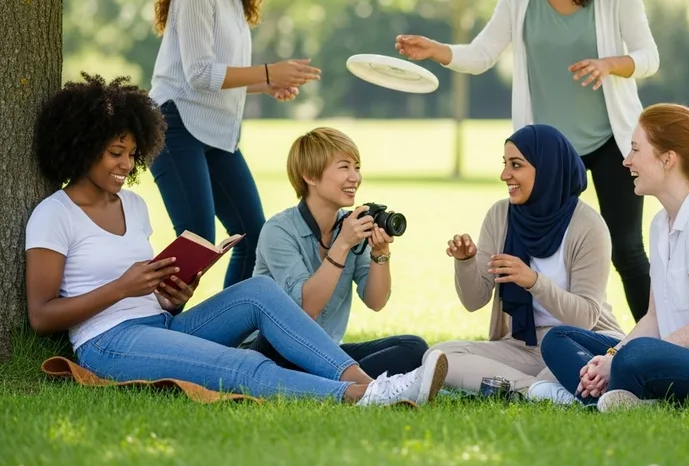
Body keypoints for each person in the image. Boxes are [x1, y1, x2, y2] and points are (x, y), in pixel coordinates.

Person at [24, 74, 448, 407]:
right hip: (108, 343)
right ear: (82, 147)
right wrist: (124, 287)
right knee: (242, 363)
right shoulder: (54, 214)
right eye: (116, 152)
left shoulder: (133, 205)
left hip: (162, 322)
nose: (126, 164)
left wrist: (172, 295)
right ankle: (360, 397)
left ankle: (366, 382)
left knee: (257, 291)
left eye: (133, 154)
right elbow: (42, 315)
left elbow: (148, 297)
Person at [396, 0, 659, 321]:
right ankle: (546, 341)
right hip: (550, 154)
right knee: (545, 250)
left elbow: (649, 57)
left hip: (612, 141)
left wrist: (610, 64)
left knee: (628, 251)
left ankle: (660, 344)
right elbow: (481, 55)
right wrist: (436, 49)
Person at [540, 104, 689, 411]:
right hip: (681, 359)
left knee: (635, 355)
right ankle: (617, 394)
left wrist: (619, 360)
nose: (626, 161)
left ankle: (607, 393)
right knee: (558, 339)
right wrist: (611, 358)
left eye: (635, 150)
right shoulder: (660, 224)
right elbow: (654, 318)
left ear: (668, 159)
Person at [149, 0, 321, 288]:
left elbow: (221, 77)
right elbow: (199, 75)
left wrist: (267, 84)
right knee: (196, 242)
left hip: (217, 132)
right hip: (176, 125)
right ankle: (143, 332)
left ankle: (229, 334)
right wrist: (265, 73)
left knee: (254, 235)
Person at [427, 124, 623, 401]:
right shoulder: (500, 215)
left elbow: (585, 318)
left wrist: (533, 281)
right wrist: (466, 262)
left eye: (516, 165)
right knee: (439, 356)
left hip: (580, 345)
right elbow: (474, 301)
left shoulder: (588, 226)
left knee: (558, 371)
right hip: (524, 346)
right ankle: (536, 391)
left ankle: (537, 387)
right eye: (505, 164)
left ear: (547, 169)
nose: (504, 175)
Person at [251, 128, 429, 377]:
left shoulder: (350, 226)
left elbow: (375, 301)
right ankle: (354, 383)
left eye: (357, 167)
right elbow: (305, 310)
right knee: (280, 337)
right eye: (344, 167)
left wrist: (380, 252)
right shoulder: (279, 231)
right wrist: (342, 244)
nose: (355, 177)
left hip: (326, 351)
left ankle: (337, 381)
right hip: (273, 350)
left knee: (414, 348)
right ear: (310, 176)